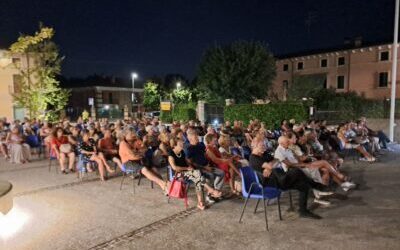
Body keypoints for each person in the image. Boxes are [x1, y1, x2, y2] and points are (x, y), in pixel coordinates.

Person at [249, 141, 327, 219]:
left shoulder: (264, 154)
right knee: (296, 171)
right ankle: (318, 186)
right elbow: (272, 165)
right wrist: (270, 166)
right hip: (271, 183)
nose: (264, 147)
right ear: (254, 146)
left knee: (304, 185)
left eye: (264, 145)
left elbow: (277, 159)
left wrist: (270, 167)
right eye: (261, 146)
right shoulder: (253, 158)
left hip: (279, 177)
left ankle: (303, 211)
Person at [168, 138, 222, 210]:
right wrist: (187, 168)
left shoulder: (182, 152)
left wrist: (190, 166)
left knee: (197, 179)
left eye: (182, 142)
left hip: (189, 173)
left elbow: (187, 162)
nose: (182, 144)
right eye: (180, 143)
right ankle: (210, 190)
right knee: (197, 175)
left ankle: (200, 203)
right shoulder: (171, 154)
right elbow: (174, 168)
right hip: (179, 175)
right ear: (174, 145)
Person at [186, 130, 225, 197]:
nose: (197, 138)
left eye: (197, 136)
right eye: (195, 137)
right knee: (211, 175)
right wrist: (205, 168)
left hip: (207, 166)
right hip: (199, 169)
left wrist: (210, 162)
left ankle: (215, 190)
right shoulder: (189, 149)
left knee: (221, 173)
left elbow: (207, 154)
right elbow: (191, 163)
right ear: (190, 139)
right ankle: (209, 194)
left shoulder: (201, 144)